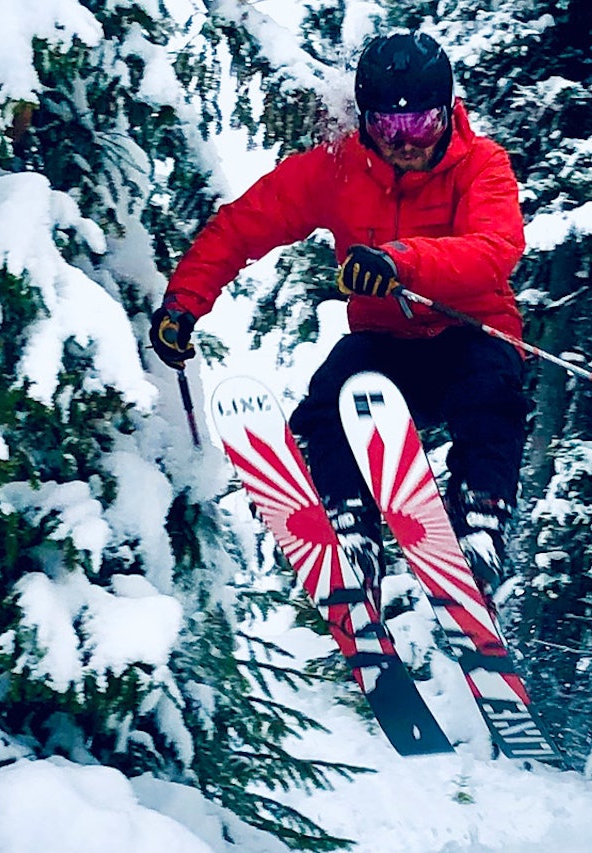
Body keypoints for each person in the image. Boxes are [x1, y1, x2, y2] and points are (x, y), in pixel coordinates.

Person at [148, 31, 530, 602]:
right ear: (364, 121)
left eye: (420, 125)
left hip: (469, 334)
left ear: (448, 111)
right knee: (329, 402)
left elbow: (496, 247)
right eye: (386, 127)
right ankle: (351, 528)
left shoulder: (481, 165)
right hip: (387, 345)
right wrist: (185, 300)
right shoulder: (336, 170)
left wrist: (401, 262)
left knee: (492, 393)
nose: (404, 143)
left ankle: (478, 522)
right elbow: (241, 227)